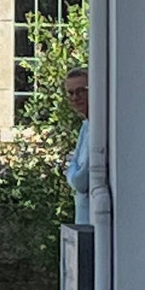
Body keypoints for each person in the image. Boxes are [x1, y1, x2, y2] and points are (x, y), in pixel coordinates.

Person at [63, 65, 91, 226]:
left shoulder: (99, 129)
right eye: (71, 93)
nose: (75, 97)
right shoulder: (85, 127)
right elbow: (73, 165)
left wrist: (71, 174)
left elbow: (82, 181)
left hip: (93, 222)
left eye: (81, 91)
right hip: (82, 220)